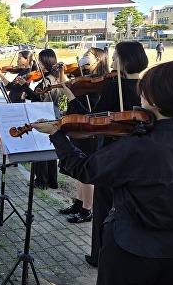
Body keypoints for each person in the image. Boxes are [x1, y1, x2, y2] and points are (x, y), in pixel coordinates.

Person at [31, 61, 173, 285]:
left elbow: (84, 169)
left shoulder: (138, 146)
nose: (139, 99)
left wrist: (56, 134)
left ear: (153, 99)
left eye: (143, 93)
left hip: (128, 248)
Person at [61, 41, 148, 267]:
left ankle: (99, 255)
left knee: (103, 207)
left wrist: (71, 100)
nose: (114, 61)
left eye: (117, 57)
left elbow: (93, 120)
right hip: (140, 157)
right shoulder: (148, 87)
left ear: (126, 60)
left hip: (112, 154)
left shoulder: (113, 87)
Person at [57, 47, 109, 224]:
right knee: (79, 171)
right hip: (79, 130)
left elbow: (90, 115)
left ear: (98, 60)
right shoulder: (84, 80)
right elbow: (68, 86)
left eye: (88, 55)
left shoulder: (99, 85)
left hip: (90, 134)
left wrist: (71, 97)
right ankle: (78, 203)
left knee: (87, 173)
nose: (84, 58)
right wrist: (62, 72)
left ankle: (87, 210)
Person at [18, 48, 62, 189]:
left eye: (42, 63)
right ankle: (51, 180)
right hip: (51, 112)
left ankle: (41, 181)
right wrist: (28, 94)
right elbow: (38, 95)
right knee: (49, 148)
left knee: (41, 148)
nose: (40, 66)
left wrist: (24, 86)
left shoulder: (48, 79)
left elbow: (41, 98)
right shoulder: (54, 77)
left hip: (44, 114)